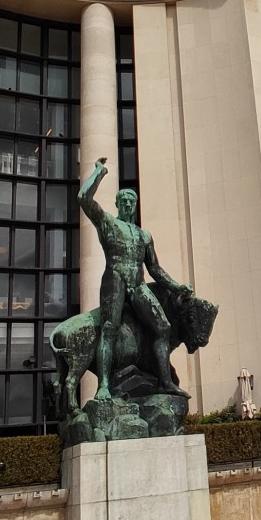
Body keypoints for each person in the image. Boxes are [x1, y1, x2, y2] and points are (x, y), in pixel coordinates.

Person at [78, 157, 190, 393]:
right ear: (117, 204)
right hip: (115, 279)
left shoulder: (144, 235)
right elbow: (83, 198)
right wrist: (99, 173)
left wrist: (177, 287)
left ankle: (165, 382)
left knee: (163, 327)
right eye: (124, 201)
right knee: (109, 328)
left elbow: (155, 269)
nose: (128, 204)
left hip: (138, 285)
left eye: (131, 201)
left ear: (136, 205)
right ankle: (104, 386)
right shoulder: (108, 222)